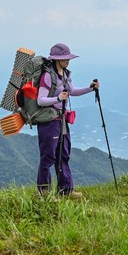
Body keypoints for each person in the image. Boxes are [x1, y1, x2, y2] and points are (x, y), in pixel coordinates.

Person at [35, 43, 99, 198]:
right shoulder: (48, 76)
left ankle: (66, 190)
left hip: (61, 119)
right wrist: (57, 98)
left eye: (68, 58)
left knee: (63, 154)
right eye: (65, 58)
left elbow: (73, 91)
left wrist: (91, 88)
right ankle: (43, 191)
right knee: (48, 156)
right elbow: (40, 100)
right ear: (57, 59)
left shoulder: (65, 74)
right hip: (49, 121)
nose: (68, 60)